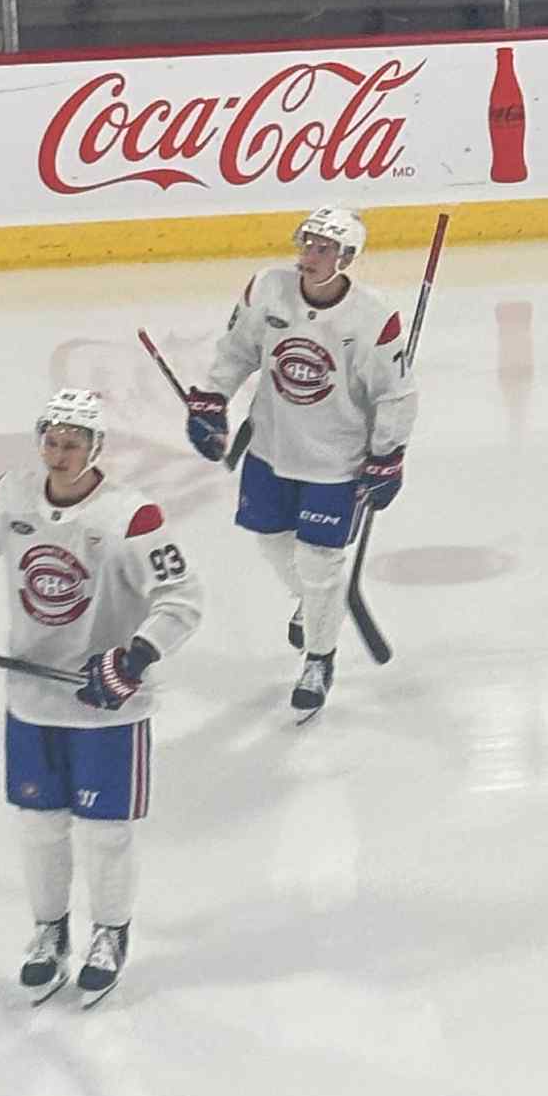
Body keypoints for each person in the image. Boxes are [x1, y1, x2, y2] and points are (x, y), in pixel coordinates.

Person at [0, 389, 203, 1004]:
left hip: (106, 707)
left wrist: (134, 659)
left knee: (105, 834)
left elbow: (182, 600)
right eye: (52, 441)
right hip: (33, 698)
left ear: (96, 448)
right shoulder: (14, 495)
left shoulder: (131, 516)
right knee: (40, 826)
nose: (60, 454)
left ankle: (110, 934)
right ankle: (50, 932)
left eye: (73, 444)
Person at [184, 206, 417, 721]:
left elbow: (395, 392)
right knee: (273, 545)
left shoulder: (373, 315)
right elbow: (237, 350)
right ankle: (315, 605)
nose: (310, 255)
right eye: (307, 243)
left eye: (324, 248)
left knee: (319, 562)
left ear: (346, 258)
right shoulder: (268, 288)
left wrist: (388, 454)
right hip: (270, 447)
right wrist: (211, 399)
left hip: (337, 460)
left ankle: (318, 660)